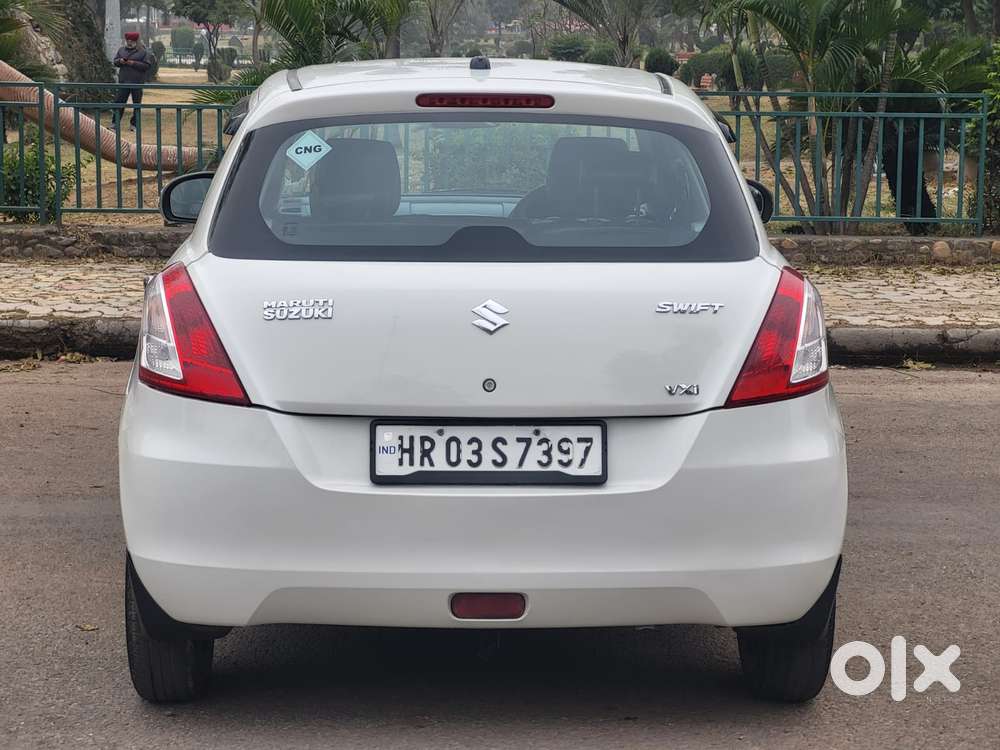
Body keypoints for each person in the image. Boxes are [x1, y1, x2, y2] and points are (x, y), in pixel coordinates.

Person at [112, 31, 150, 129]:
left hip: (137, 82)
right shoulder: (121, 50)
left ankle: (134, 124)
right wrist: (119, 61)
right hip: (124, 81)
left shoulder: (143, 52)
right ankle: (115, 123)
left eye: (132, 41)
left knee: (136, 104)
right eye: (128, 40)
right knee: (119, 103)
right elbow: (115, 62)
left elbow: (146, 66)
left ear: (136, 41)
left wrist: (133, 63)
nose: (129, 42)